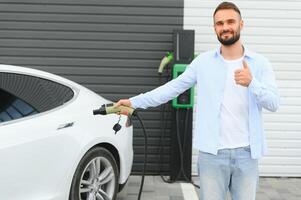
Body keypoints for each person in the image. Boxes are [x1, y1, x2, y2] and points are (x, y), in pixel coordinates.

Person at [116, 1, 279, 200]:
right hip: (212, 155)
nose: (225, 27)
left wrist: (252, 83)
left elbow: (273, 103)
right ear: (214, 28)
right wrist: (134, 102)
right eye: (219, 23)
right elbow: (172, 88)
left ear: (241, 24)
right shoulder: (203, 62)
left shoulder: (260, 63)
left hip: (247, 155)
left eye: (230, 22)